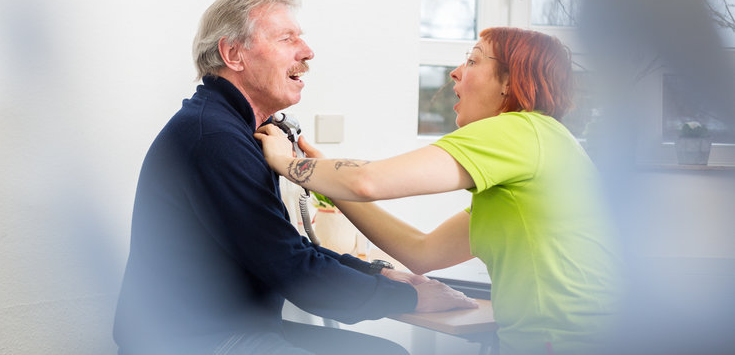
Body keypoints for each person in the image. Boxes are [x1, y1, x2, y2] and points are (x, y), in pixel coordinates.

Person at [113, 0, 477, 355]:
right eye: (287, 39)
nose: (308, 52)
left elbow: (282, 246)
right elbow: (294, 272)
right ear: (233, 53)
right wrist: (408, 297)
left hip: (225, 331)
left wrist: (379, 273)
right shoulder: (214, 138)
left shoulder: (233, 129)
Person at [257, 27, 624, 355]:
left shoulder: (519, 129)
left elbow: (368, 181)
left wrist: (287, 163)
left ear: (510, 82)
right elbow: (421, 252)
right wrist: (326, 183)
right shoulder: (539, 149)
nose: (455, 72)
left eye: (473, 60)